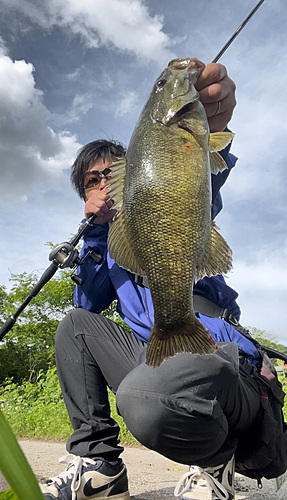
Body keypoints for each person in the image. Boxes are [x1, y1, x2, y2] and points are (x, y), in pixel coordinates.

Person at [41, 63, 265, 500]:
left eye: (114, 172)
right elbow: (89, 302)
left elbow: (203, 179)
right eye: (93, 181)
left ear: (137, 168)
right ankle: (100, 467)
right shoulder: (110, 246)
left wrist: (213, 114)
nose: (106, 184)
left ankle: (215, 464)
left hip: (219, 355)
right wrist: (96, 234)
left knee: (154, 388)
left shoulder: (168, 174)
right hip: (159, 358)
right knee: (74, 325)